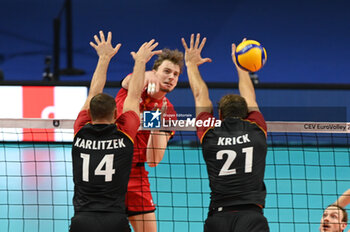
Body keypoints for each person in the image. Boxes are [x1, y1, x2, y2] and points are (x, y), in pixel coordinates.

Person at [69, 30, 162, 232]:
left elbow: (94, 91)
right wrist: (140, 62)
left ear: (89, 114)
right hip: (114, 220)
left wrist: (103, 58)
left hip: (82, 220)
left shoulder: (80, 130)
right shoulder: (124, 134)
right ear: (115, 116)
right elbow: (134, 93)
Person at [181, 33, 269, 232]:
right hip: (251, 217)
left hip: (218, 219)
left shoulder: (210, 135)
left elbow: (199, 95)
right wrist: (241, 65)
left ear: (219, 114)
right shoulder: (256, 130)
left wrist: (191, 65)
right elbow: (250, 96)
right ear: (248, 113)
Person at [115, 48, 184, 232]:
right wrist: (145, 73)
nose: (171, 77)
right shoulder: (136, 86)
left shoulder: (168, 111)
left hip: (136, 176)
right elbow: (128, 80)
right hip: (110, 172)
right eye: (167, 71)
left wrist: (156, 121)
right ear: (154, 72)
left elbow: (153, 160)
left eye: (176, 74)